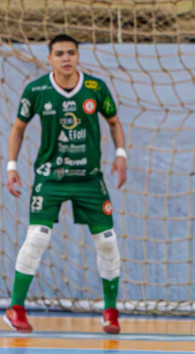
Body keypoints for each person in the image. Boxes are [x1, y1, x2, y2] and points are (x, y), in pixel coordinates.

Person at [5, 33, 128, 334]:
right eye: (59, 53)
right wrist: (11, 166)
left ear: (78, 56)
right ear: (49, 58)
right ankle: (15, 308)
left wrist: (120, 154)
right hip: (50, 178)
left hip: (88, 178)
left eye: (71, 52)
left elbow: (114, 122)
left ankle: (110, 312)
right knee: (36, 238)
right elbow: (18, 129)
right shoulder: (37, 90)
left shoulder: (95, 88)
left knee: (107, 242)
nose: (66, 58)